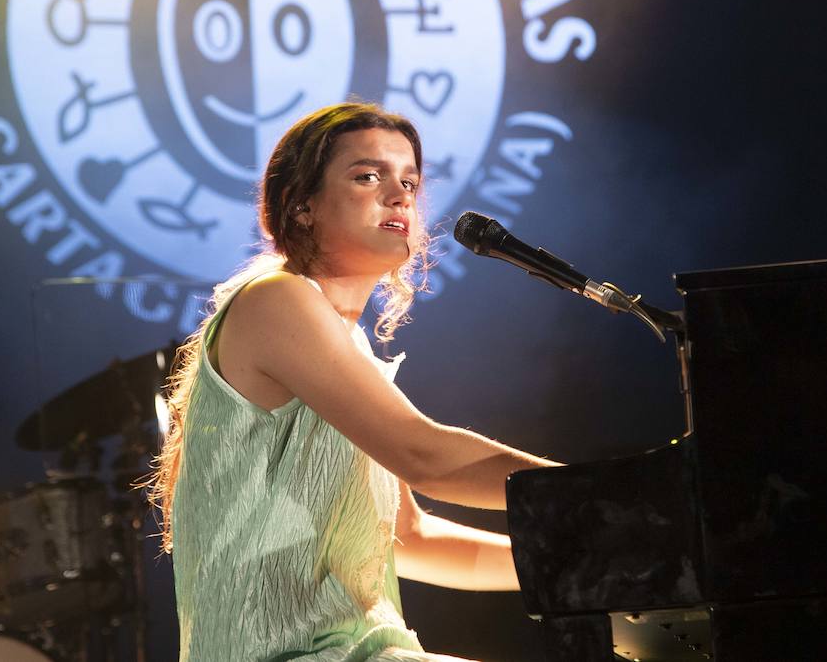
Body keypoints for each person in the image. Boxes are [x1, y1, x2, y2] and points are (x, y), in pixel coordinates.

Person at [150, 102, 559, 662]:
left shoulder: (348, 345)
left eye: (409, 180)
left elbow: (410, 540)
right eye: (368, 176)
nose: (400, 195)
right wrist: (604, 498)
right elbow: (427, 455)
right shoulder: (276, 298)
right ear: (301, 207)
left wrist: (577, 551)